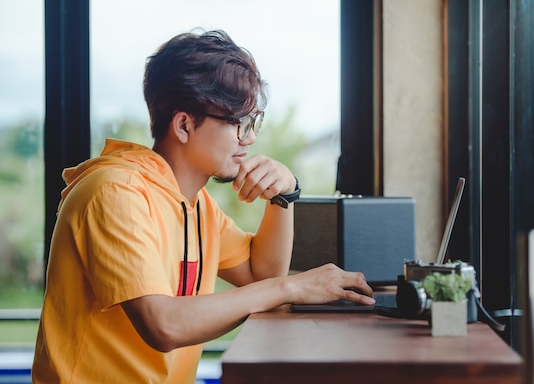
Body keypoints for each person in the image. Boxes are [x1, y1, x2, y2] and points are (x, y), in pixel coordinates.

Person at [32, 29, 375, 383]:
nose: (250, 137)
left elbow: (262, 277)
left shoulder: (195, 203)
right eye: (238, 122)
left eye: (252, 122)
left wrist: (284, 195)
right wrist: (293, 286)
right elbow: (163, 324)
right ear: (184, 125)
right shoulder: (116, 193)